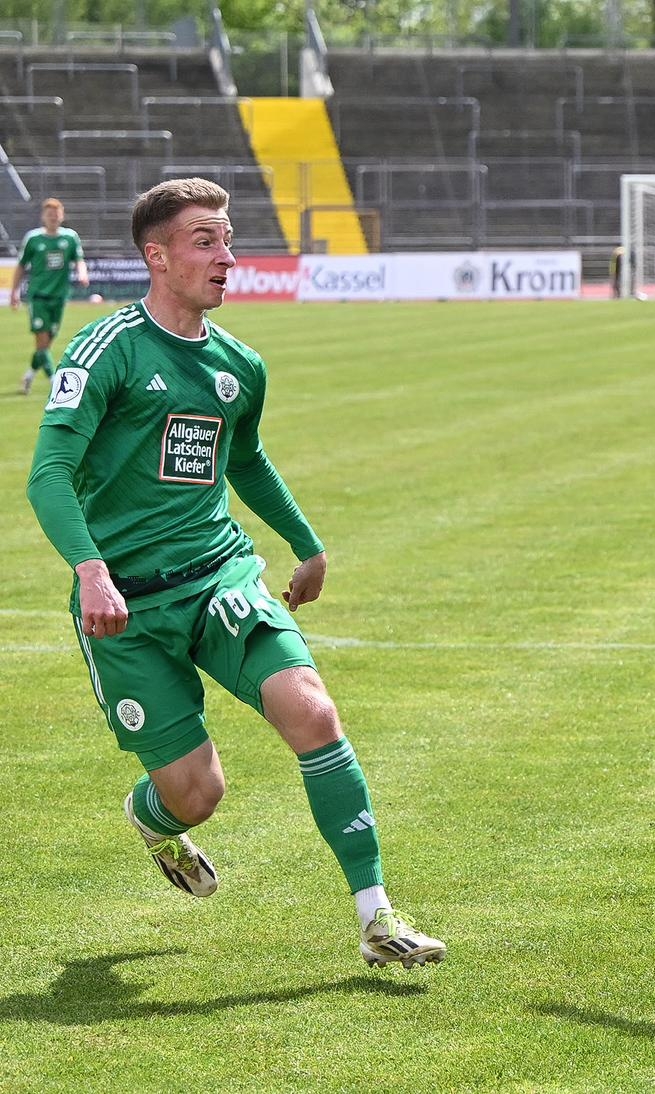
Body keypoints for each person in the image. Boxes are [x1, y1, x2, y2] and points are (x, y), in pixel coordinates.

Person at [24, 178, 445, 970]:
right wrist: (90, 571)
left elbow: (243, 459)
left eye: (228, 238)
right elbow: (48, 473)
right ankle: (154, 821)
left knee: (313, 714)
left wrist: (305, 543)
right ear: (158, 256)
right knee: (197, 795)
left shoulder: (238, 366)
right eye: (206, 241)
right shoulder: (107, 349)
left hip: (220, 580)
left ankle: (377, 917)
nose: (228, 256)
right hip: (127, 609)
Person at [12, 197, 88, 395]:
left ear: (61, 216)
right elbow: (21, 266)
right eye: (49, 214)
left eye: (56, 214)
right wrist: (14, 292)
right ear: (43, 217)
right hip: (38, 297)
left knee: (45, 344)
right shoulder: (34, 238)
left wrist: (82, 273)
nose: (53, 217)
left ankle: (29, 375)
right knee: (42, 340)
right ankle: (56, 381)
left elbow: (79, 259)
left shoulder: (70, 238)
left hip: (59, 298)